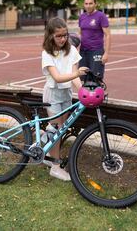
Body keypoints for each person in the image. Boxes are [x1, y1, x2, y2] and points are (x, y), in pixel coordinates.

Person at [41, 17, 88, 181]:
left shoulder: (72, 51)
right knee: (57, 129)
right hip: (53, 93)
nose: (63, 39)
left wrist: (82, 90)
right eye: (58, 36)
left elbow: (74, 77)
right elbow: (57, 77)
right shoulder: (47, 53)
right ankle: (55, 166)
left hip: (66, 94)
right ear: (50, 36)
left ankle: (46, 151)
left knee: (61, 127)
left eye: (65, 35)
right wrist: (76, 74)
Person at [78, 0, 111, 78]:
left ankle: (98, 91)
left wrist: (106, 53)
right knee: (83, 77)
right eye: (86, 3)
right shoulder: (82, 17)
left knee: (96, 79)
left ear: (95, 4)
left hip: (96, 51)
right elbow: (80, 33)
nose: (88, 6)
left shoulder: (101, 16)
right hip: (83, 52)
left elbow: (108, 35)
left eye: (90, 3)